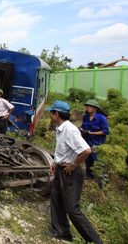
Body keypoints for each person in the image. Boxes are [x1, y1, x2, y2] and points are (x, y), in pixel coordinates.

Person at [46, 101, 104, 244]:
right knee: (57, 201)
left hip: (70, 173)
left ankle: (95, 241)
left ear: (56, 114)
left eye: (51, 112)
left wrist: (73, 164)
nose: (50, 114)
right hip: (61, 169)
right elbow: (63, 149)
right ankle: (61, 233)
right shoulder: (61, 128)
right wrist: (55, 162)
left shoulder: (70, 130)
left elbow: (86, 150)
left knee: (72, 208)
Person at [79, 99, 110, 179]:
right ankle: (90, 177)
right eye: (87, 106)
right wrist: (81, 129)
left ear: (96, 108)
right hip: (86, 143)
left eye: (90, 106)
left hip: (96, 144)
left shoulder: (102, 118)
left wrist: (91, 133)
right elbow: (83, 126)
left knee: (98, 161)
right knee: (88, 161)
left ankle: (103, 181)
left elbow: (105, 131)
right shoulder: (85, 117)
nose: (88, 107)